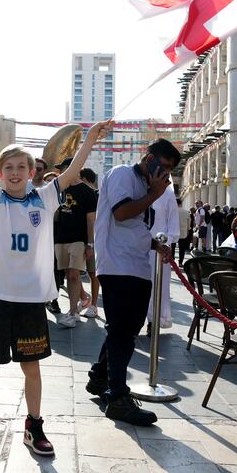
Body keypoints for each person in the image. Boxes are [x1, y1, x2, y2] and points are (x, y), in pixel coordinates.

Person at [0, 104, 111, 458]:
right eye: (8, 168)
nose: (15, 172)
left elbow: (74, 168)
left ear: (33, 172)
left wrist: (91, 138)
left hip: (31, 301)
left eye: (22, 167)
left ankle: (34, 426)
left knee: (31, 367)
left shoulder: (45, 198)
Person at [86, 138, 179, 426]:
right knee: (122, 332)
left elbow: (136, 226)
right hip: (117, 265)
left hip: (136, 265)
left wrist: (154, 244)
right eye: (163, 166)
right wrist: (154, 193)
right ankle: (118, 397)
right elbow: (121, 212)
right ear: (149, 158)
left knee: (125, 328)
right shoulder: (124, 174)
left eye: (170, 170)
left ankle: (100, 378)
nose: (165, 175)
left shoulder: (148, 186)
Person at [53, 157, 97, 328]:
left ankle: (72, 313)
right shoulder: (60, 188)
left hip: (79, 239)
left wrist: (90, 244)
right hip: (61, 238)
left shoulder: (87, 192)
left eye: (63, 168)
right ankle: (77, 309)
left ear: (74, 168)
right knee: (68, 275)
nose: (60, 172)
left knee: (73, 274)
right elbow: (56, 215)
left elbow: (91, 221)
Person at [146, 183, 179, 334]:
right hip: (137, 245)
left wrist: (166, 244)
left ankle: (154, 320)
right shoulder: (137, 188)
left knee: (157, 286)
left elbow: (173, 225)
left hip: (159, 248)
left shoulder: (168, 194)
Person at [78, 168, 100, 318]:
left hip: (94, 239)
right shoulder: (78, 194)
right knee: (73, 271)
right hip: (78, 237)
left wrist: (91, 243)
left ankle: (94, 305)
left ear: (85, 179)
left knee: (93, 273)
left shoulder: (98, 195)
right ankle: (84, 298)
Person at [175, 198, 191, 265]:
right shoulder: (186, 212)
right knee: (182, 249)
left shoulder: (173, 211)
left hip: (174, 232)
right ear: (181, 203)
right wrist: (187, 231)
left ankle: (172, 260)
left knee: (172, 247)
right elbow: (189, 223)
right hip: (183, 232)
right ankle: (180, 262)